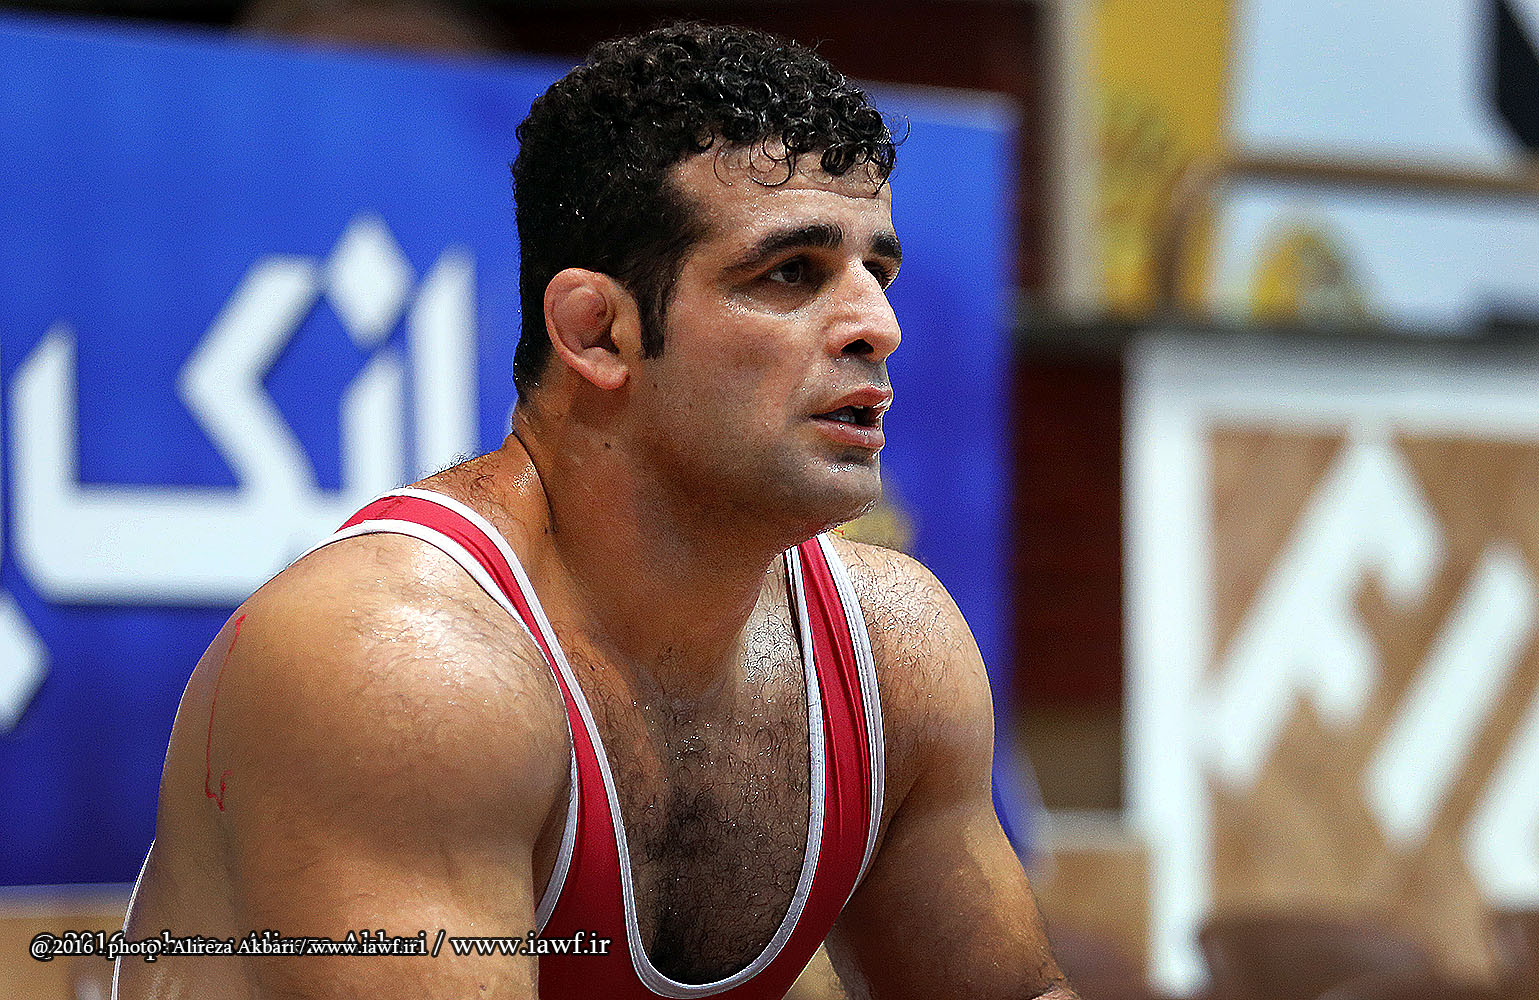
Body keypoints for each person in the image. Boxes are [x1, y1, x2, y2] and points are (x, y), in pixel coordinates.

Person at [116, 23, 1073, 1000]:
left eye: (879, 273)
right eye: (790, 273)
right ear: (597, 331)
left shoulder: (896, 652)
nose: (878, 325)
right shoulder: (397, 665)